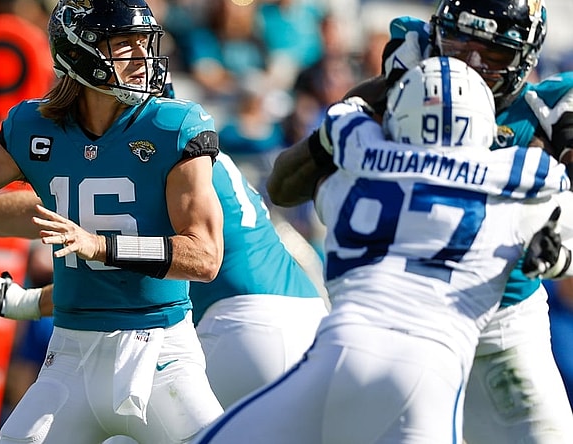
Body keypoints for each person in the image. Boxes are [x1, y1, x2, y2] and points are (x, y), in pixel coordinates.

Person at [193, 56, 572, 443]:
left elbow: (323, 149)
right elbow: (558, 234)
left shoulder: (350, 180)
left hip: (339, 351)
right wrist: (558, 255)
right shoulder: (519, 193)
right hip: (429, 371)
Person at [0, 0, 226, 442]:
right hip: (70, 351)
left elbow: (205, 257)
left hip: (160, 351)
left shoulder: (173, 125)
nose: (142, 57)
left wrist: (101, 246)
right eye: (123, 45)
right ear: (80, 56)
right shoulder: (33, 126)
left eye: (143, 42)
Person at [0, 150, 329, 410]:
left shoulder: (161, 153)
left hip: (241, 329)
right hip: (309, 322)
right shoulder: (205, 162)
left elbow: (50, 216)